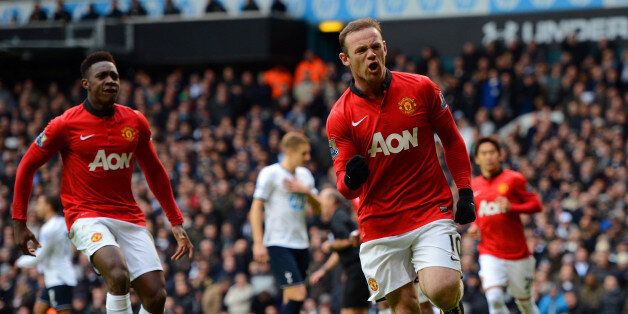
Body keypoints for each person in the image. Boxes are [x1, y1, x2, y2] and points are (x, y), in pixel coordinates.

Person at [12, 51, 193, 314]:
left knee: (156, 297)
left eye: (115, 76)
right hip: (86, 216)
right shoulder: (64, 124)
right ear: (86, 83)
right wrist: (19, 222)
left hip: (128, 217)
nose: (111, 81)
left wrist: (176, 222)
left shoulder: (135, 121)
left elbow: (155, 171)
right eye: (102, 76)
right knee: (117, 275)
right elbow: (26, 166)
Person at [326, 18, 476, 314]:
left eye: (375, 47)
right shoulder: (340, 116)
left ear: (384, 48)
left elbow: (452, 140)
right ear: (345, 59)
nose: (371, 55)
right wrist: (353, 179)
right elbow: (343, 185)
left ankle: (453, 306)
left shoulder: (421, 88)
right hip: (379, 222)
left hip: (429, 210)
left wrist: (466, 191)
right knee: (404, 307)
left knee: (441, 288)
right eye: (361, 50)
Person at [469, 137, 542, 314]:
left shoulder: (514, 179)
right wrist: (474, 225)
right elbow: (478, 213)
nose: (489, 157)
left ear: (500, 155)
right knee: (494, 299)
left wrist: (513, 207)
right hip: (489, 251)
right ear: (477, 159)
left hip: (518, 254)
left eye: (492, 152)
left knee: (524, 303)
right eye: (484, 153)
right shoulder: (474, 185)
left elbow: (536, 205)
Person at [249, 132, 320, 314]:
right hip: (278, 243)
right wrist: (258, 243)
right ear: (289, 151)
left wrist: (306, 192)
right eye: (303, 153)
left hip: (301, 243)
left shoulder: (305, 176)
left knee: (292, 297)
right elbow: (256, 209)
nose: (307, 157)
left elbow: (319, 210)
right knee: (298, 293)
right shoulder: (271, 173)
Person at [309, 188, 370, 314]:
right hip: (358, 269)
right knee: (360, 310)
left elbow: (351, 240)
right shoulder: (340, 216)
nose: (319, 202)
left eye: (322, 198)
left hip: (356, 270)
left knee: (347, 310)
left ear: (332, 201)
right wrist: (323, 271)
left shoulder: (337, 218)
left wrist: (330, 244)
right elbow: (342, 249)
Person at [15, 195, 77, 314]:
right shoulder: (62, 223)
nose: (37, 208)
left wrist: (19, 262)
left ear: (48, 206)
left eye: (39, 204)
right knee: (38, 310)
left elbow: (38, 257)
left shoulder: (49, 228)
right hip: (56, 276)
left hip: (59, 279)